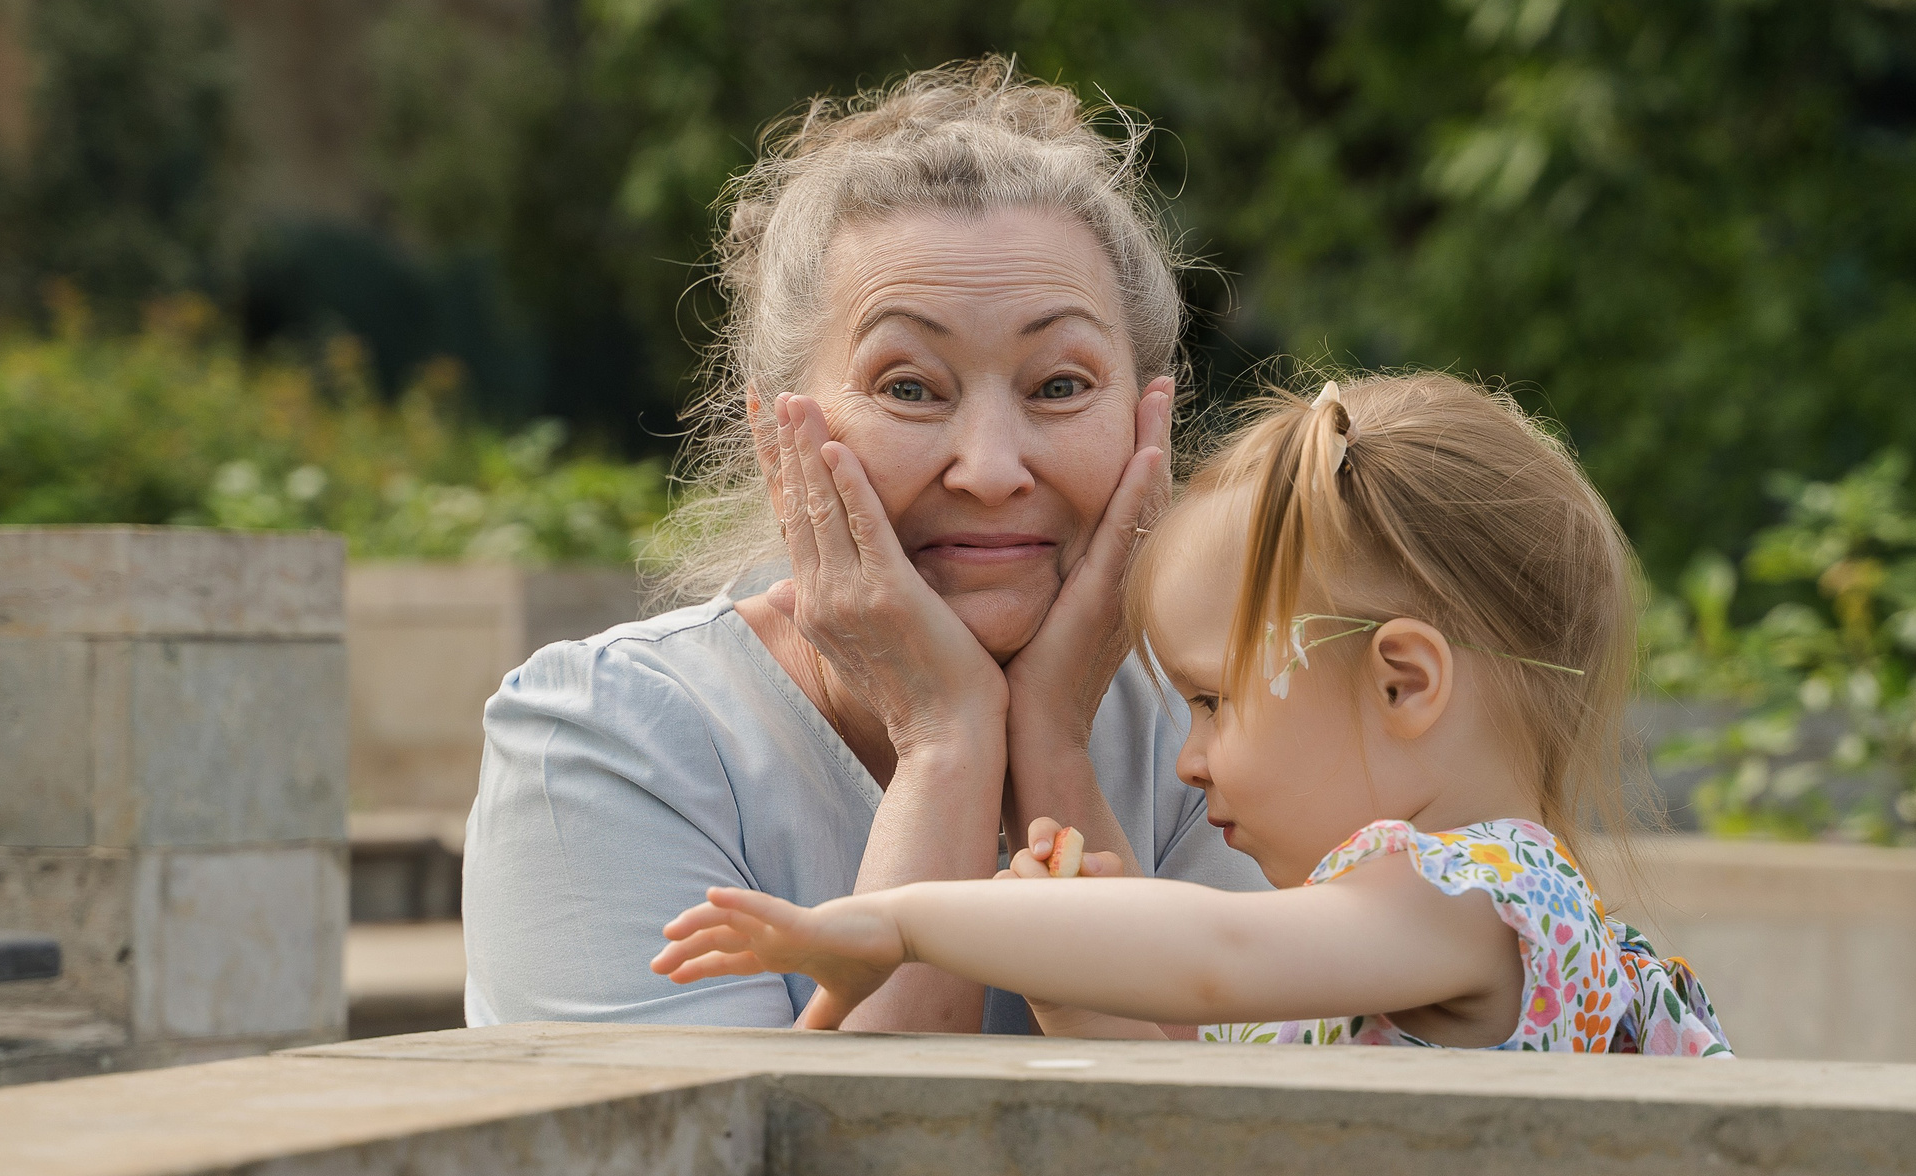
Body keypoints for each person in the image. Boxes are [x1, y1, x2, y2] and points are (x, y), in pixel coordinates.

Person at [461, 60, 1267, 1035]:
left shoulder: (1219, 729)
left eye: (1057, 386)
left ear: (1148, 426)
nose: (990, 469)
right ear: (777, 439)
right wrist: (948, 744)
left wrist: (1051, 746)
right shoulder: (605, 741)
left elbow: (1236, 1152)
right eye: (910, 388)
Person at [652, 372, 1734, 1056]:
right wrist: (1067, 979)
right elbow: (1191, 1089)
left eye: (1213, 700)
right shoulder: (1401, 943)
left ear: (1403, 681)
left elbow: (1214, 952)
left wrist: (897, 924)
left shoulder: (1483, 897)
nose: (1189, 760)